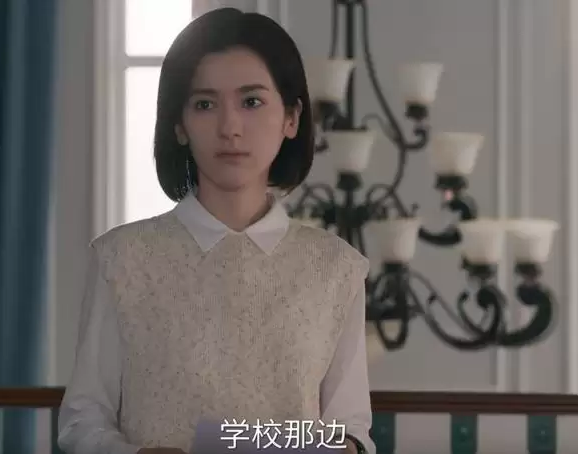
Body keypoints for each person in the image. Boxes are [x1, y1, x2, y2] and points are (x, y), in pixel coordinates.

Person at [57, 7, 375, 454]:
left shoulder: (337, 267)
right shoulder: (121, 258)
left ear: (292, 117)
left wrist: (329, 447)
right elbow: (82, 419)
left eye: (251, 102)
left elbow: (350, 429)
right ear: (179, 124)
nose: (230, 128)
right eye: (205, 104)